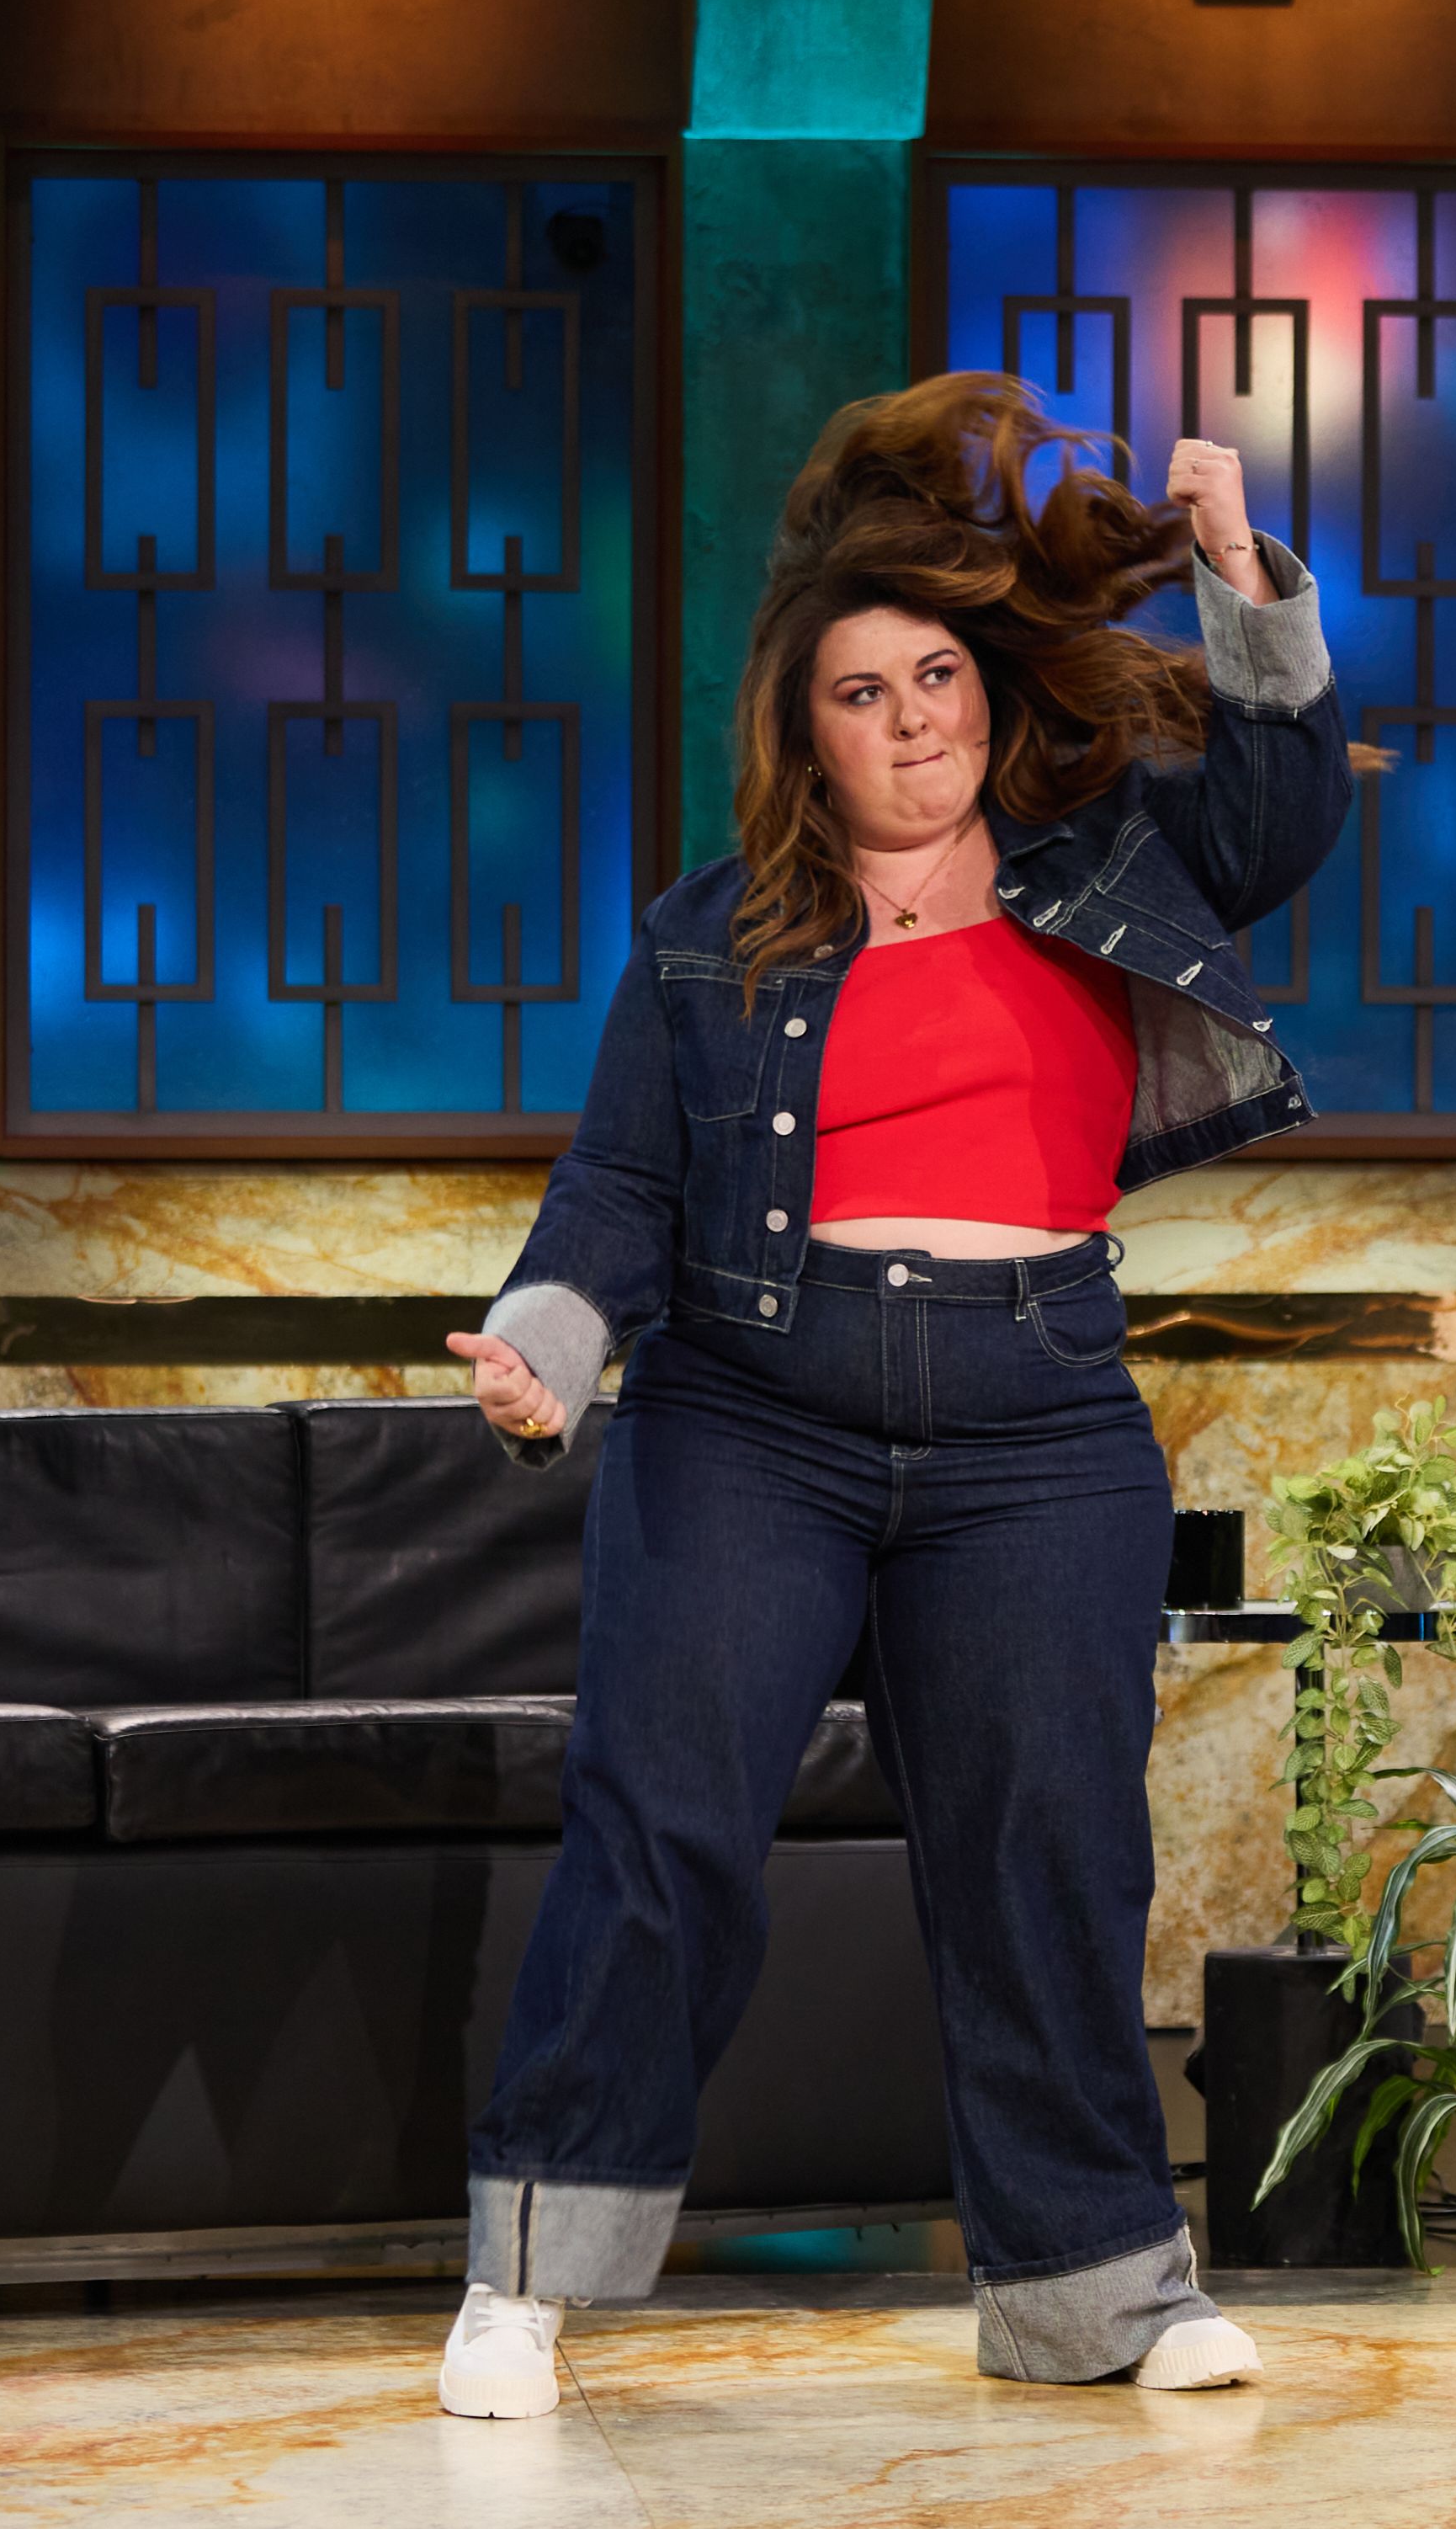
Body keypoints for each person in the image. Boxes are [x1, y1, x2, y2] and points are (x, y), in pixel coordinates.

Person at [422, 375, 1354, 2415]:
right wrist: (544, 1345)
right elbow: (619, 1187)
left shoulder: (1105, 863)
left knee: (1052, 1851)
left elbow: (1280, 817)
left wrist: (1235, 570)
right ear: (806, 727)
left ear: (982, 695)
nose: (914, 719)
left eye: (938, 677)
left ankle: (1092, 2290)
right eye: (864, 692)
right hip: (753, 1408)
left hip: (1041, 1414)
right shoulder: (712, 934)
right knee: (666, 1823)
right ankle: (530, 2271)